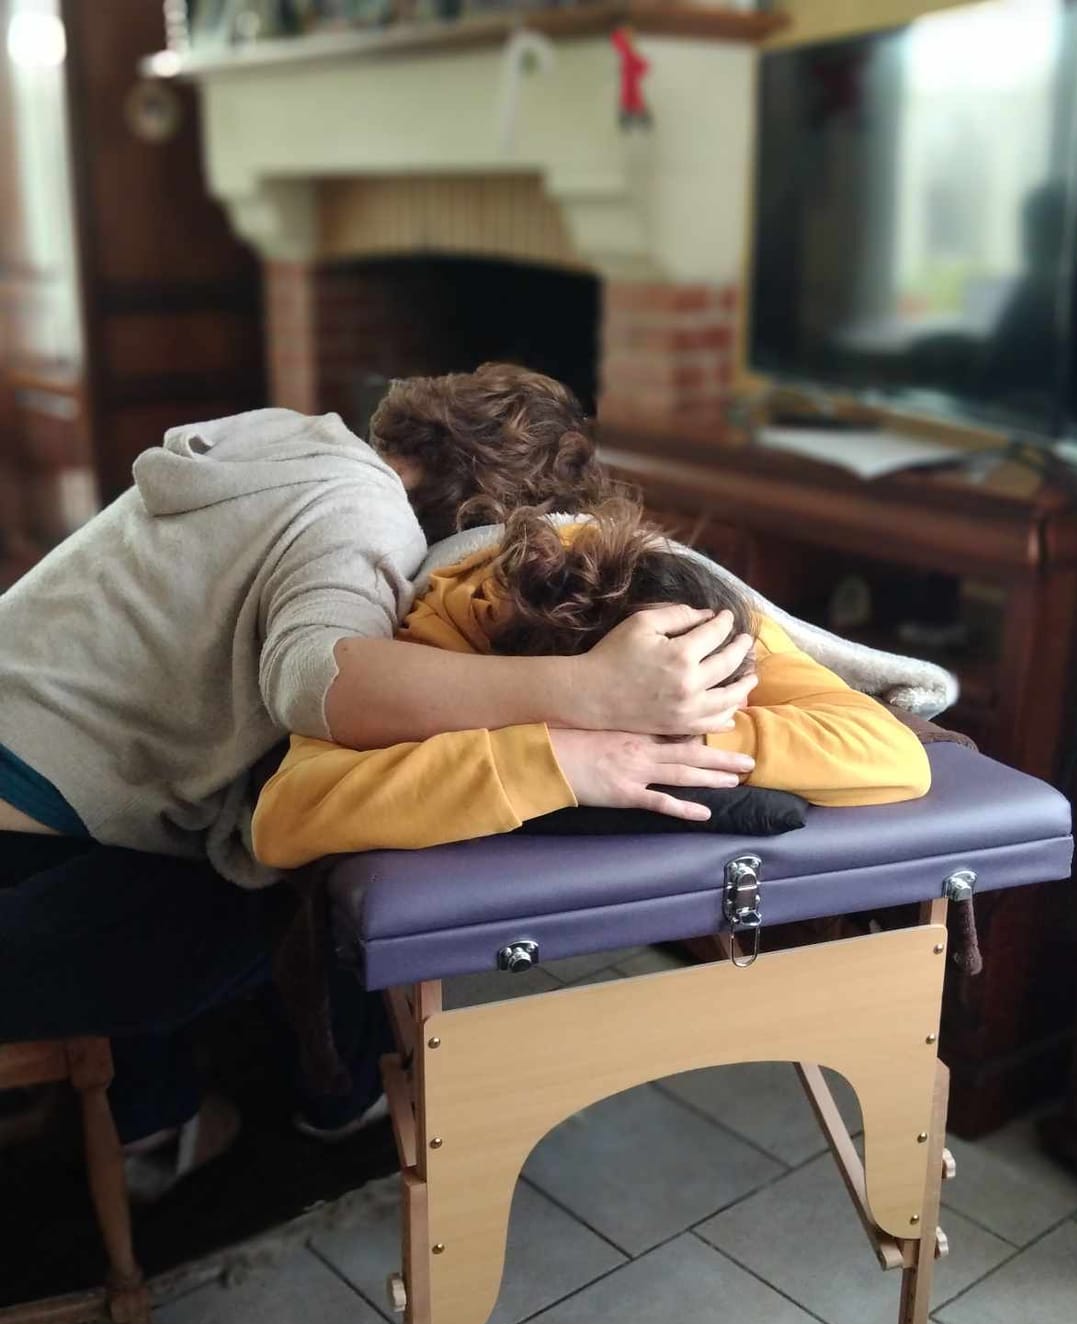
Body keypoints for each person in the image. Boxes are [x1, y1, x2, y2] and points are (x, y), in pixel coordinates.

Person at [0, 366, 755, 1197]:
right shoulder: (366, 512)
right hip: (31, 854)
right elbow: (319, 680)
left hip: (40, 780)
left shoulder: (293, 448)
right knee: (312, 882)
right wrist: (589, 692)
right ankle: (316, 1104)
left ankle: (159, 1108)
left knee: (255, 828)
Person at [252, 498, 931, 867]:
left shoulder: (701, 616)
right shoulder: (439, 637)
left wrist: (682, 742)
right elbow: (285, 816)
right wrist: (555, 758)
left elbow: (894, 755)